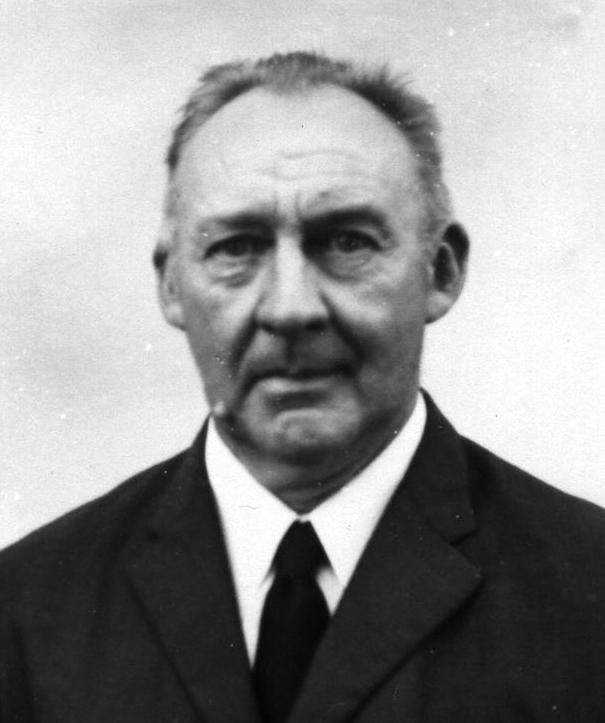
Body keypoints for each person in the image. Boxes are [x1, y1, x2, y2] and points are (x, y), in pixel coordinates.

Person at [1, 51, 604, 722]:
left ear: (439, 270)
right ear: (171, 285)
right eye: (237, 247)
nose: (290, 309)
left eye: (348, 241)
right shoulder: (23, 612)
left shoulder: (590, 590)